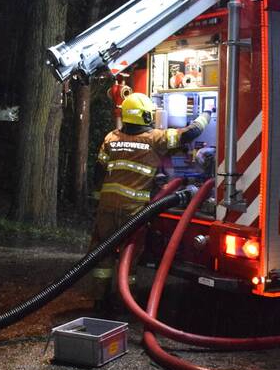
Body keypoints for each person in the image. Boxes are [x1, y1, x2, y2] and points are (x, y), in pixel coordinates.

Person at [88, 92, 211, 311]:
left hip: (106, 208)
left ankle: (100, 302)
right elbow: (190, 133)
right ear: (145, 116)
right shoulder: (155, 138)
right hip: (133, 213)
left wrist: (97, 201)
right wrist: (207, 113)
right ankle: (128, 303)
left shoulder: (111, 138)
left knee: (102, 255)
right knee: (129, 258)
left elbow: (98, 173)